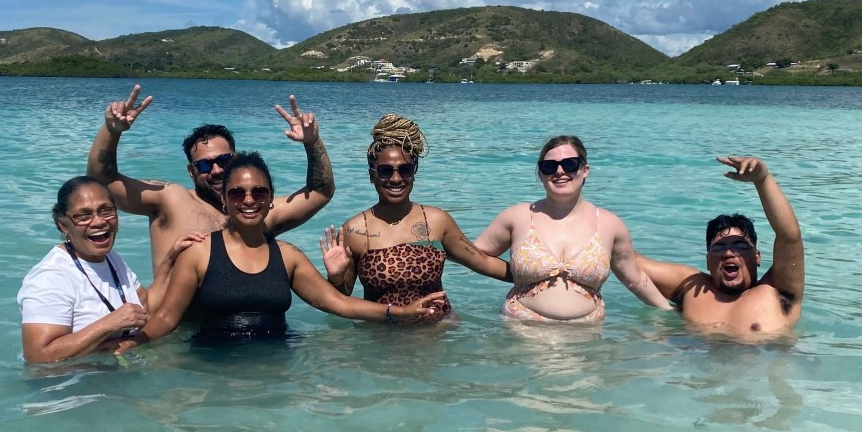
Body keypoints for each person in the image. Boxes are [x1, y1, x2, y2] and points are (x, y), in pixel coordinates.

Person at [114, 152, 445, 351]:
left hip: (278, 369)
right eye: (238, 193)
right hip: (212, 370)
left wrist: (398, 313)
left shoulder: (287, 256)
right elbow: (168, 318)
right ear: (225, 199)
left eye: (258, 192)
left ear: (271, 198)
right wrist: (134, 342)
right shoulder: (199, 253)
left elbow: (339, 304)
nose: (248, 200)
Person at [86, 84, 335, 279]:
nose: (216, 170)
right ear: (191, 172)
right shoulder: (170, 200)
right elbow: (101, 184)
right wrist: (112, 131)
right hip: (181, 334)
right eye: (204, 165)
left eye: (224, 160)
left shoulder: (257, 209)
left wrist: (312, 142)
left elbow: (321, 191)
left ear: (236, 160)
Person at [318, 114, 511, 322]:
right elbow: (340, 300)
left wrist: (540, 275)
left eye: (405, 169)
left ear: (414, 171)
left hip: (438, 333)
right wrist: (336, 277)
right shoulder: (354, 230)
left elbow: (483, 262)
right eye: (385, 171)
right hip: (383, 339)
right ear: (371, 174)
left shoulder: (437, 221)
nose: (396, 178)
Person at [474, 135, 670, 322]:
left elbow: (634, 279)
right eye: (549, 167)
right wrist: (514, 274)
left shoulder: (610, 224)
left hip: (585, 339)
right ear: (541, 174)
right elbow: (472, 253)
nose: (560, 171)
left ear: (585, 170)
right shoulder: (518, 216)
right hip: (521, 329)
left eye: (569, 164)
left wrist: (671, 315)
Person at [17, 176, 204, 364]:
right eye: (83, 215)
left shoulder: (109, 257)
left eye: (106, 210)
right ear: (63, 224)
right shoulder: (50, 277)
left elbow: (145, 308)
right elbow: (37, 357)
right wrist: (108, 324)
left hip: (112, 380)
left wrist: (172, 259)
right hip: (73, 388)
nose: (98, 222)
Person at [635, 156, 804, 336]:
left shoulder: (777, 292)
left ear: (757, 257)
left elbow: (789, 236)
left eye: (740, 246)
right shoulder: (690, 287)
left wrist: (762, 181)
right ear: (708, 261)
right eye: (719, 247)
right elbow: (624, 259)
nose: (729, 253)